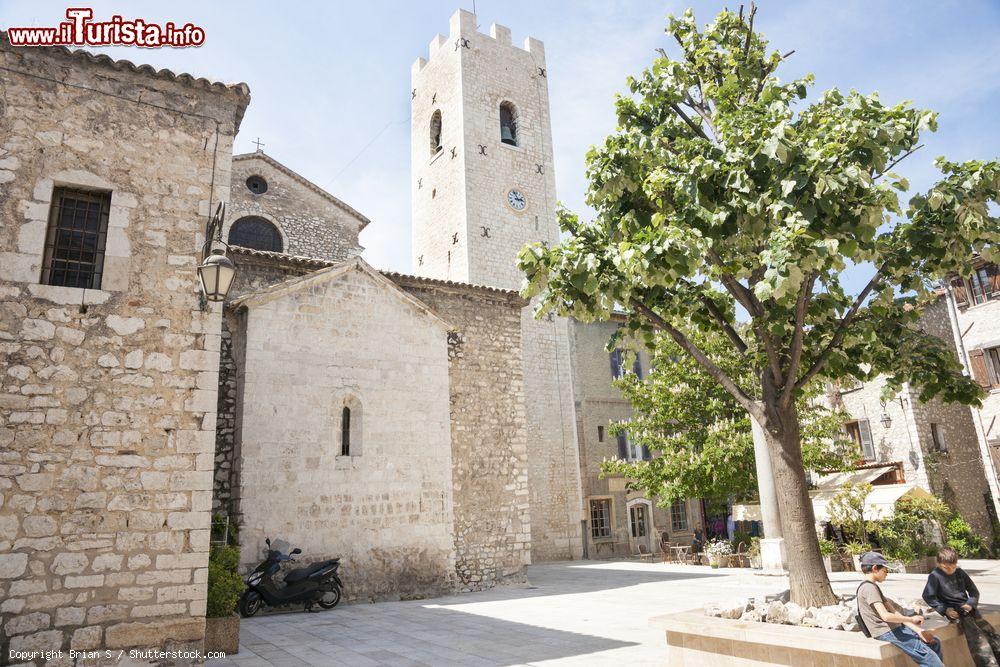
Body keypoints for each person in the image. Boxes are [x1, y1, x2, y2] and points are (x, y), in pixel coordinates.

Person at [857, 552, 943, 666]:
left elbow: (894, 612)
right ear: (875, 568)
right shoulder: (868, 588)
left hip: (895, 628)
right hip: (886, 631)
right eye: (885, 570)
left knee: (934, 642)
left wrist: (919, 630)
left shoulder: (873, 587)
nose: (887, 573)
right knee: (930, 658)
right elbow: (885, 616)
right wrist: (911, 619)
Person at [923, 546, 1000, 667]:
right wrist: (945, 610)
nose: (950, 570)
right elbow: (928, 596)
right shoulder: (934, 576)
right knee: (978, 640)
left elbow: (974, 592)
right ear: (938, 564)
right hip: (955, 611)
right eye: (946, 568)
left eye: (953, 567)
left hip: (969, 609)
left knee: (991, 634)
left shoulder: (960, 573)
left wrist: (970, 604)